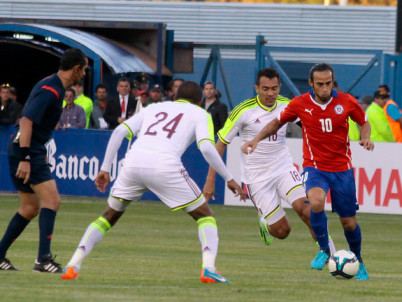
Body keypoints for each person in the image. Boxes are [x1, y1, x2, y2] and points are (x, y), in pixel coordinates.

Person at [61, 81, 246, 283]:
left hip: (133, 162)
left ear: (175, 97)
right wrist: (229, 178)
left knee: (108, 216)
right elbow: (207, 149)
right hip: (165, 165)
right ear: (200, 101)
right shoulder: (200, 113)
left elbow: (119, 132)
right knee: (205, 216)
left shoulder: (154, 107)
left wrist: (105, 168)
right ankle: (209, 268)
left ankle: (73, 264)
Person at [242, 63, 374, 280]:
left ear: (333, 83)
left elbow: (364, 122)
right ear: (311, 84)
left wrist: (366, 137)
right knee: (314, 202)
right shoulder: (300, 104)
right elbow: (276, 123)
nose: (324, 88)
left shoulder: (346, 101)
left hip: (342, 170)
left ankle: (358, 260)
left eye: (328, 84)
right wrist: (255, 140)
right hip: (315, 167)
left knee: (349, 223)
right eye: (320, 84)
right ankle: (323, 249)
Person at [203, 68, 335, 254]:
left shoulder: (287, 105)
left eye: (274, 88)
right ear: (257, 88)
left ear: (280, 87)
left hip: (283, 168)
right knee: (282, 231)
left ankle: (333, 257)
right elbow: (220, 144)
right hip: (257, 177)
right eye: (265, 89)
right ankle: (265, 223)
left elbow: (309, 126)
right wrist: (211, 180)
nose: (270, 93)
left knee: (307, 210)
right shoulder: (244, 111)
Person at [0, 48, 87, 272]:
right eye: (84, 69)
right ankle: (43, 259)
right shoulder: (51, 89)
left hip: (24, 148)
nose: (84, 74)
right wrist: (27, 158)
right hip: (26, 150)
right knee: (52, 201)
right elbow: (27, 121)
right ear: (76, 68)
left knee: (29, 207)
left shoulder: (52, 84)